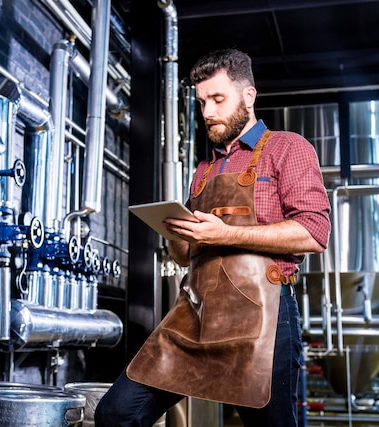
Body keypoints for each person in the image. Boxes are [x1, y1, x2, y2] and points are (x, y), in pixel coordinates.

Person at [94, 48, 331, 427]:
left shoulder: (287, 148)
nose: (207, 112)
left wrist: (226, 233)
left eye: (218, 99)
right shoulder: (203, 170)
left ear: (248, 96)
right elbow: (187, 257)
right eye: (202, 101)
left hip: (262, 318)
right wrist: (174, 232)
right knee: (116, 412)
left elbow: (314, 233)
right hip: (195, 315)